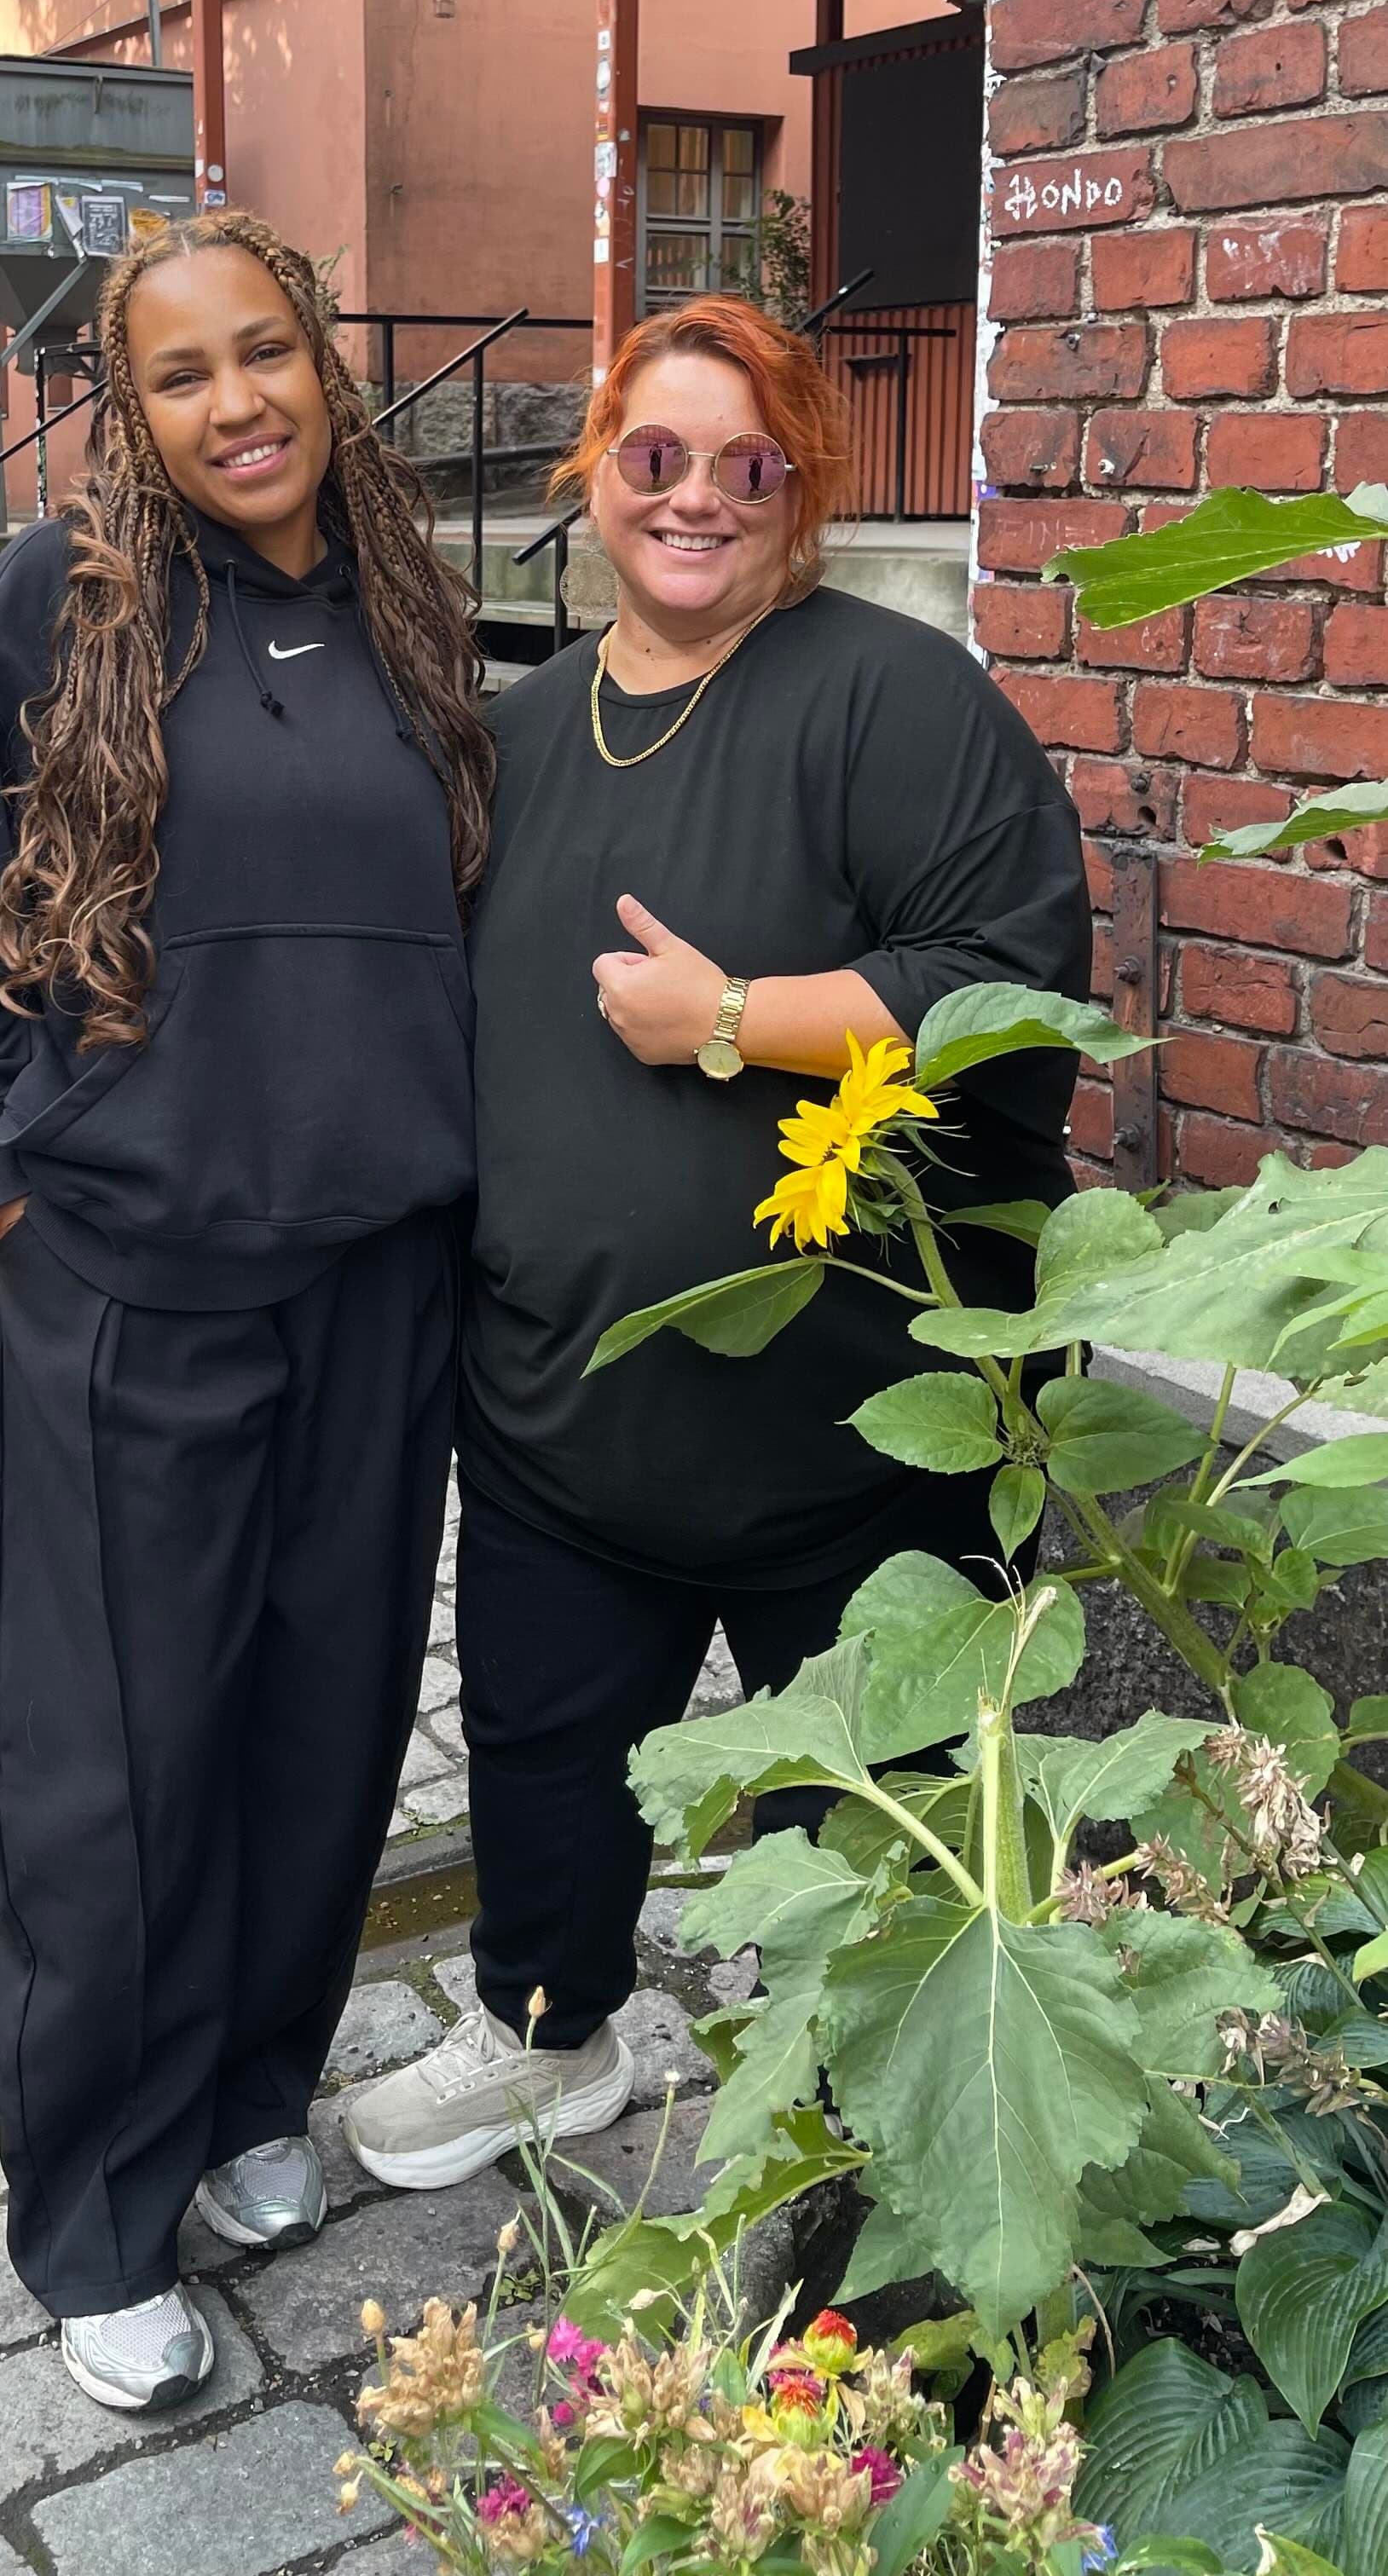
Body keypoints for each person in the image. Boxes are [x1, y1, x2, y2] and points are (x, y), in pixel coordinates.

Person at [345, 292, 1091, 2191]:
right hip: (563, 1412)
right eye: (654, 456)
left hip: (852, 1435)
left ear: (801, 491)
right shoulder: (514, 734)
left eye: (744, 466)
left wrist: (740, 1019)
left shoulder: (895, 698)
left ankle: (899, 2103)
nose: (694, 499)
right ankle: (545, 2036)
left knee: (890, 1809)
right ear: (594, 471)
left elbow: (1012, 991)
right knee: (544, 1755)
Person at [0, 214, 490, 2408]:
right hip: (139, 1292)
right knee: (116, 1775)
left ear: (328, 360)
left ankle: (246, 2101)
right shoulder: (60, 607)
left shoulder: (414, 618)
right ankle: (100, 2218)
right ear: (128, 415)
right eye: (180, 374)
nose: (238, 404)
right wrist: (16, 1195)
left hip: (381, 1288)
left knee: (322, 1733)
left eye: (267, 353)